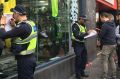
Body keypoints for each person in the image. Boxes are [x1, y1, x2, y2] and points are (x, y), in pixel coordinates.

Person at [0, 5, 37, 79]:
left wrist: (2, 24)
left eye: (13, 13)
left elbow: (3, 35)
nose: (13, 15)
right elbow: (22, 34)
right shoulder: (30, 23)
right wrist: (14, 25)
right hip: (31, 58)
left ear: (17, 14)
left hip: (25, 61)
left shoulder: (22, 27)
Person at [99, 12, 116, 79]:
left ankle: (104, 76)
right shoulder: (113, 24)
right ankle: (114, 75)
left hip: (107, 45)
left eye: (101, 18)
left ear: (104, 17)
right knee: (111, 60)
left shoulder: (105, 25)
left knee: (104, 61)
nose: (100, 20)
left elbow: (101, 35)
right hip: (113, 44)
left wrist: (99, 36)